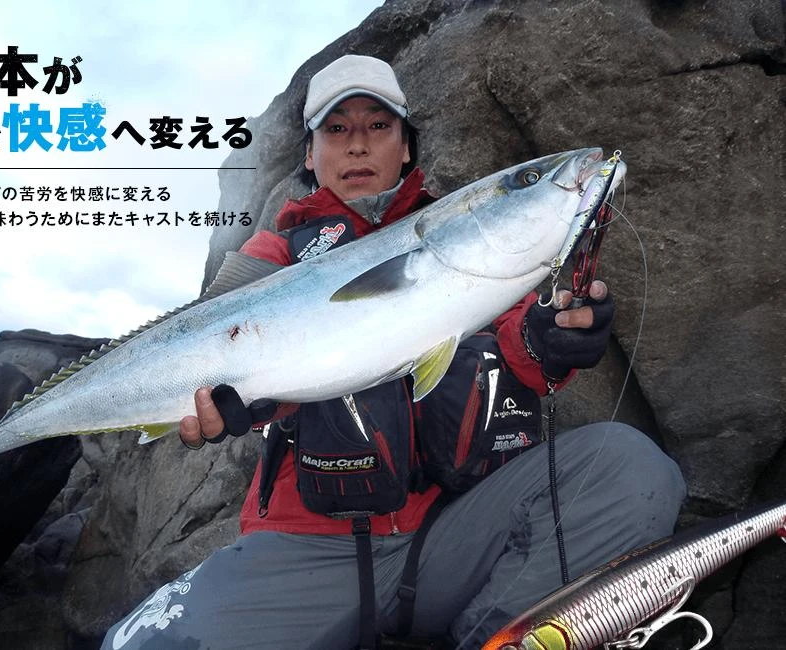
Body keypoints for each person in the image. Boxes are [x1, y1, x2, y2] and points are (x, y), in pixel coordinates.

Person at [102, 55, 686, 650]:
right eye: (336, 129)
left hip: (452, 533)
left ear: (406, 146)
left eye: (378, 126)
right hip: (307, 547)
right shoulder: (274, 255)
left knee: (629, 466)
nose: (357, 145)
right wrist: (235, 406)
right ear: (310, 155)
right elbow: (250, 372)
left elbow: (521, 353)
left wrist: (556, 338)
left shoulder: (473, 248)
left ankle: (494, 638)